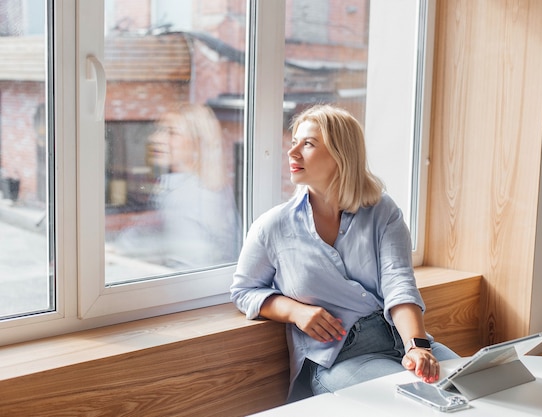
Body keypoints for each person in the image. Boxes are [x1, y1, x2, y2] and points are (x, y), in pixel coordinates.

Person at [230, 104, 458, 402]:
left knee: (480, 391)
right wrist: (295, 311)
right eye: (294, 141)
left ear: (341, 154)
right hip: (342, 358)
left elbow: (399, 284)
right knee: (423, 405)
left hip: (402, 341)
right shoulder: (273, 226)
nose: (292, 151)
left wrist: (417, 346)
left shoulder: (382, 211)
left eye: (308, 143)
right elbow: (244, 290)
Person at [111, 103, 241, 270]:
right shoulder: (186, 186)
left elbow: (187, 271)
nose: (154, 139)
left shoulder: (191, 197)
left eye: (172, 132)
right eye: (158, 130)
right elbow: (149, 233)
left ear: (198, 142)